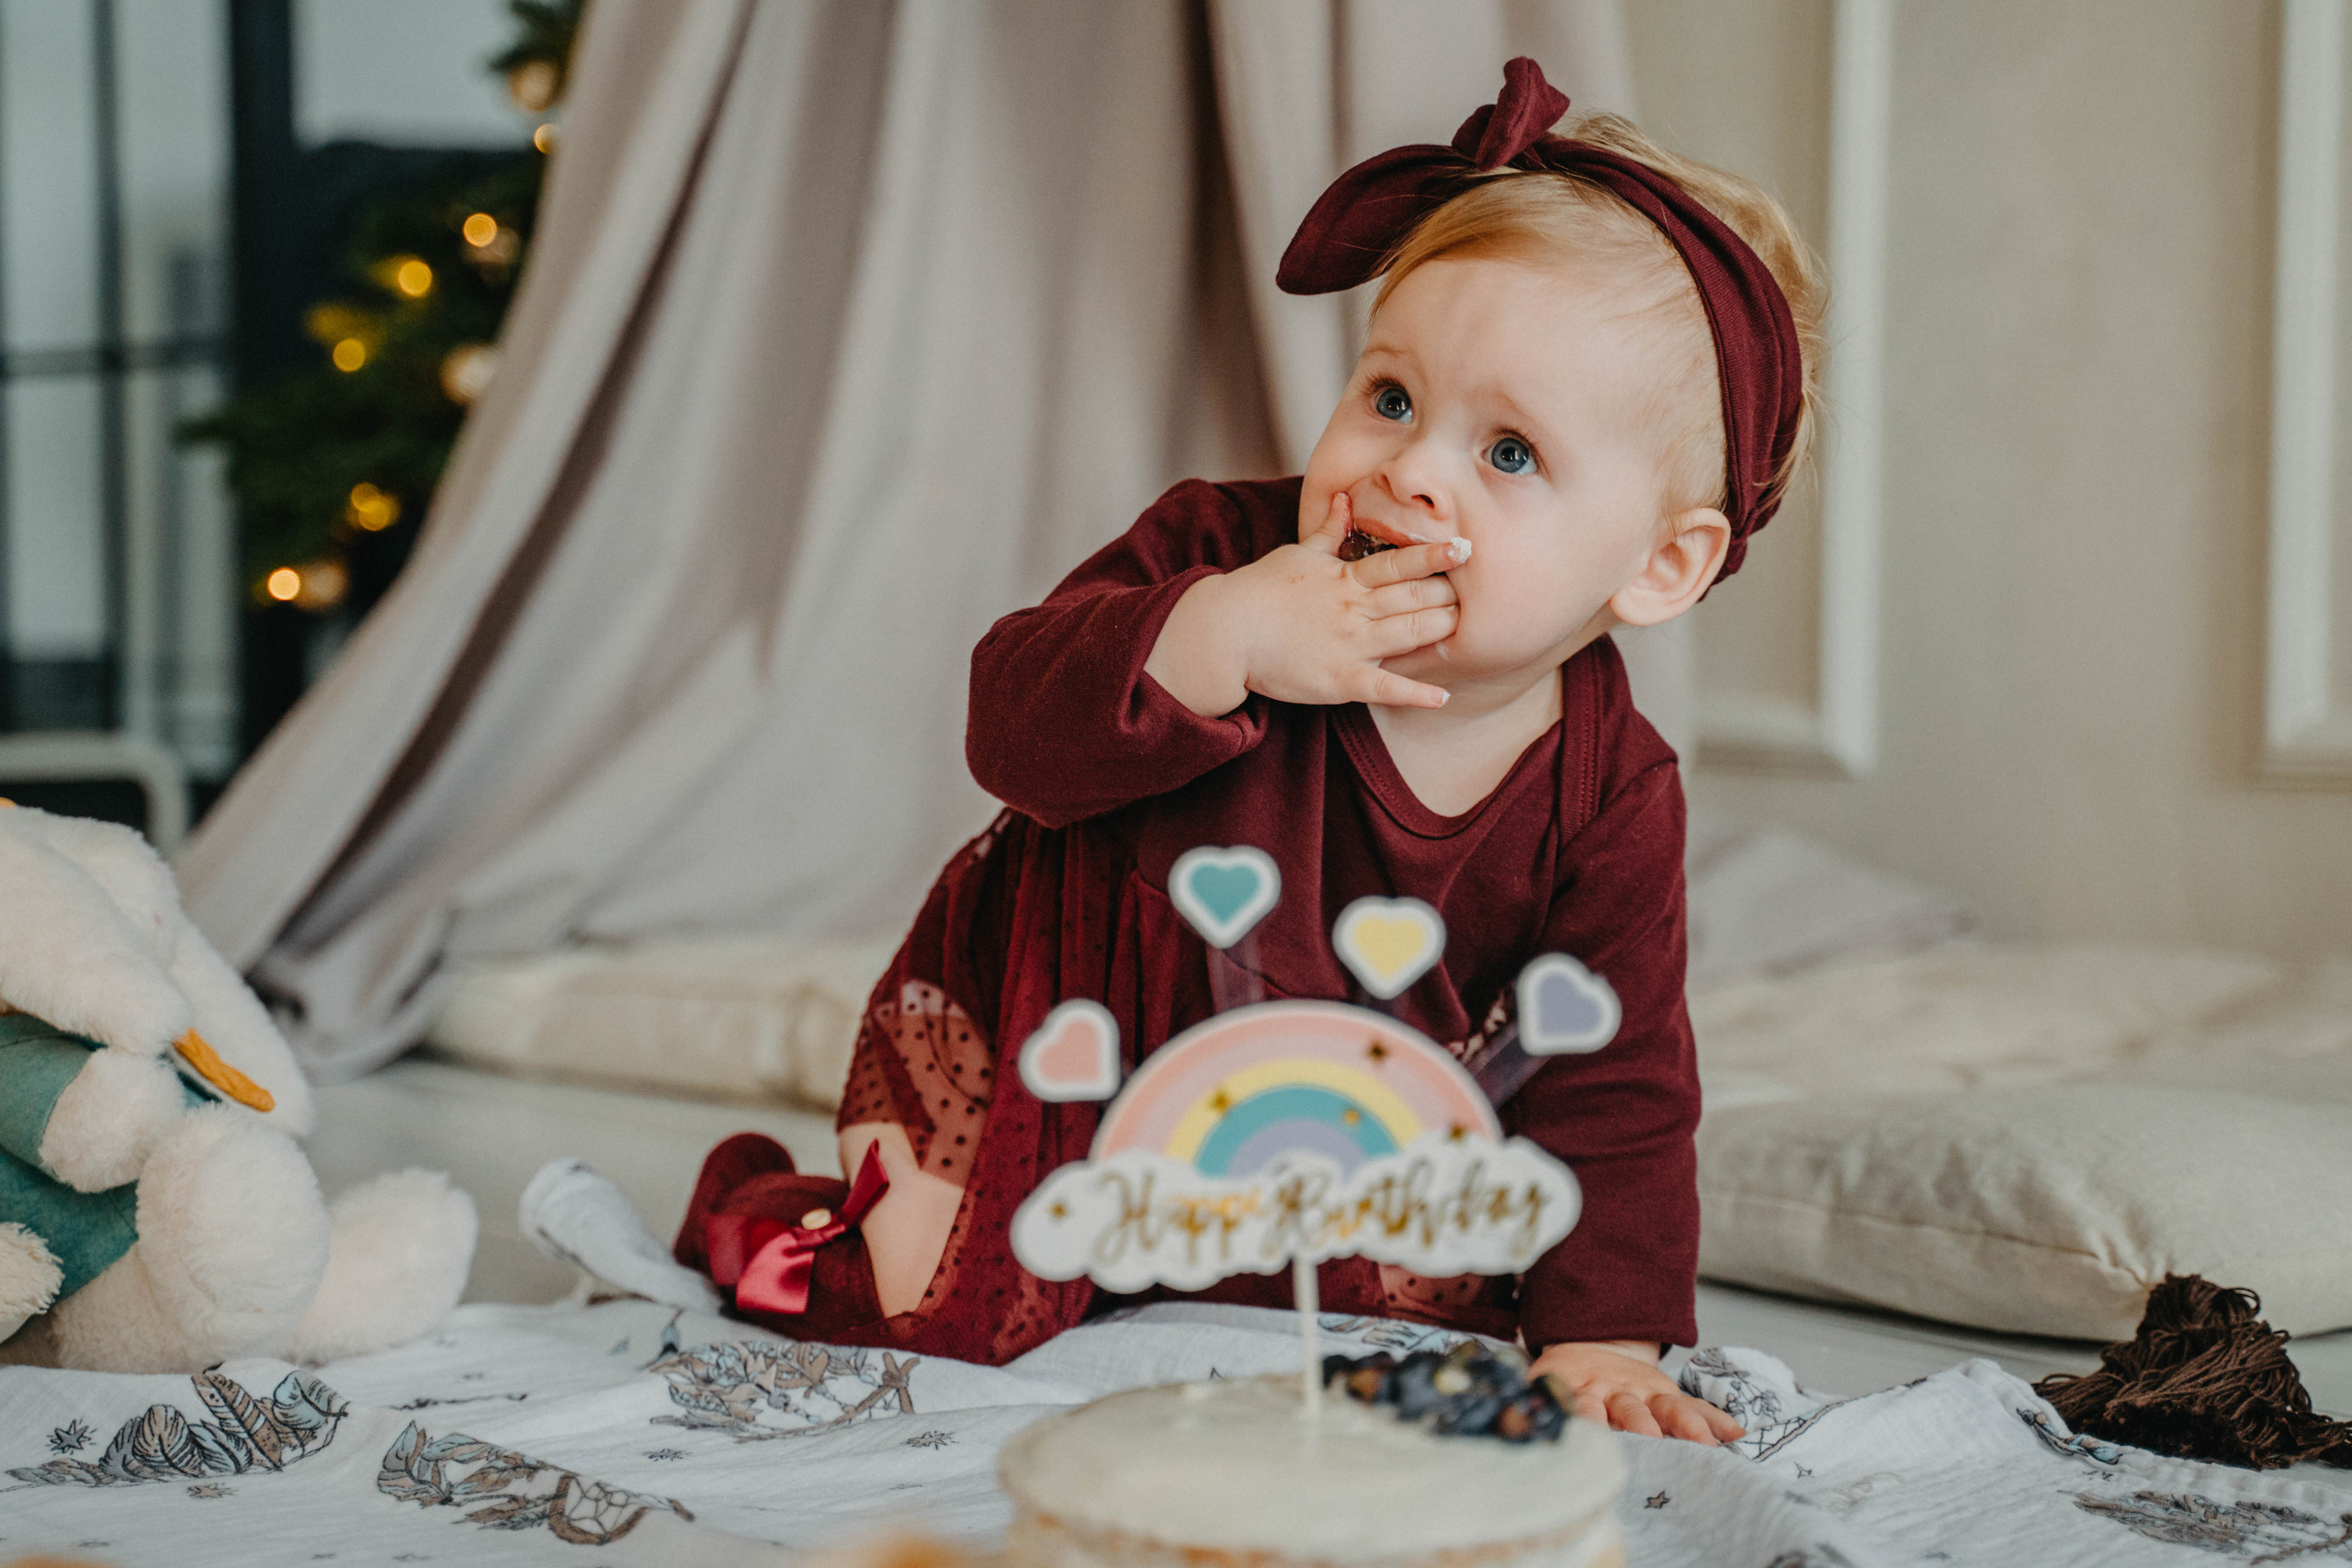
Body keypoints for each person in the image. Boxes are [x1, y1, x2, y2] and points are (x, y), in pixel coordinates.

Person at [676, 58, 1822, 1446]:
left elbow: (1619, 1078)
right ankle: (758, 1206)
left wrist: (1599, 1341)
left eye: (1509, 453)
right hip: (1056, 1054)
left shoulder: (1610, 787)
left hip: (1312, 1127)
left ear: (1658, 566)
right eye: (1391, 398)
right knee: (912, 1302)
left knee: (1396, 1342)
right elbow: (1009, 729)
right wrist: (1216, 638)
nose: (1409, 471)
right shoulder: (1220, 554)